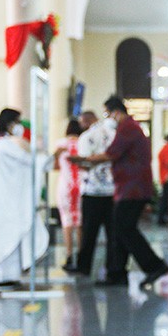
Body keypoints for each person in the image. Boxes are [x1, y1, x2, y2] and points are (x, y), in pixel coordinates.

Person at [71, 96, 168, 289]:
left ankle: (154, 266)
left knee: (124, 228)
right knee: (119, 229)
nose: (107, 118)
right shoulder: (128, 128)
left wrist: (86, 160)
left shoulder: (128, 128)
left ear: (116, 112)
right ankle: (117, 273)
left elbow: (110, 154)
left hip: (133, 188)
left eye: (108, 113)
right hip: (129, 187)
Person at [0, 108, 49, 291]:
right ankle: (0, 277)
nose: (19, 127)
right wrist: (44, 157)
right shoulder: (3, 144)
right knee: (6, 237)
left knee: (4, 237)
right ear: (9, 123)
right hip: (5, 201)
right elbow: (28, 162)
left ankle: (6, 276)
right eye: (17, 122)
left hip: (3, 198)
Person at [70, 111, 116, 278]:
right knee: (113, 234)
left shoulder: (86, 137)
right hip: (112, 190)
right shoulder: (114, 134)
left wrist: (78, 161)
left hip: (92, 191)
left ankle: (84, 266)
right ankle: (113, 268)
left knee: (89, 232)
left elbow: (84, 164)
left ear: (86, 120)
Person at [55, 119, 84, 272]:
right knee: (79, 221)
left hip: (64, 185)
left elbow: (55, 165)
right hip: (81, 185)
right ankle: (81, 255)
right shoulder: (83, 142)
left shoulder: (60, 144)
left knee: (66, 221)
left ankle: (68, 255)